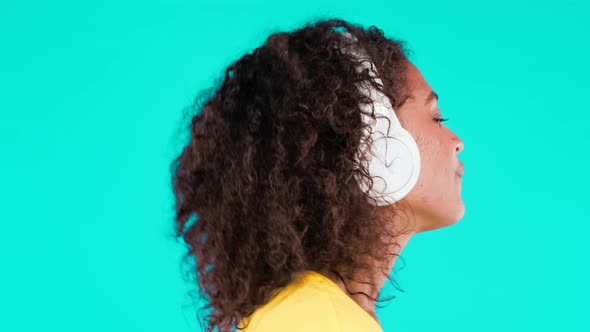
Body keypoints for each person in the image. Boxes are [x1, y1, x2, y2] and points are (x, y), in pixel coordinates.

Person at [170, 18, 464, 332]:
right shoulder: (316, 321)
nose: (456, 142)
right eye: (436, 118)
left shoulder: (309, 313)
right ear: (376, 150)